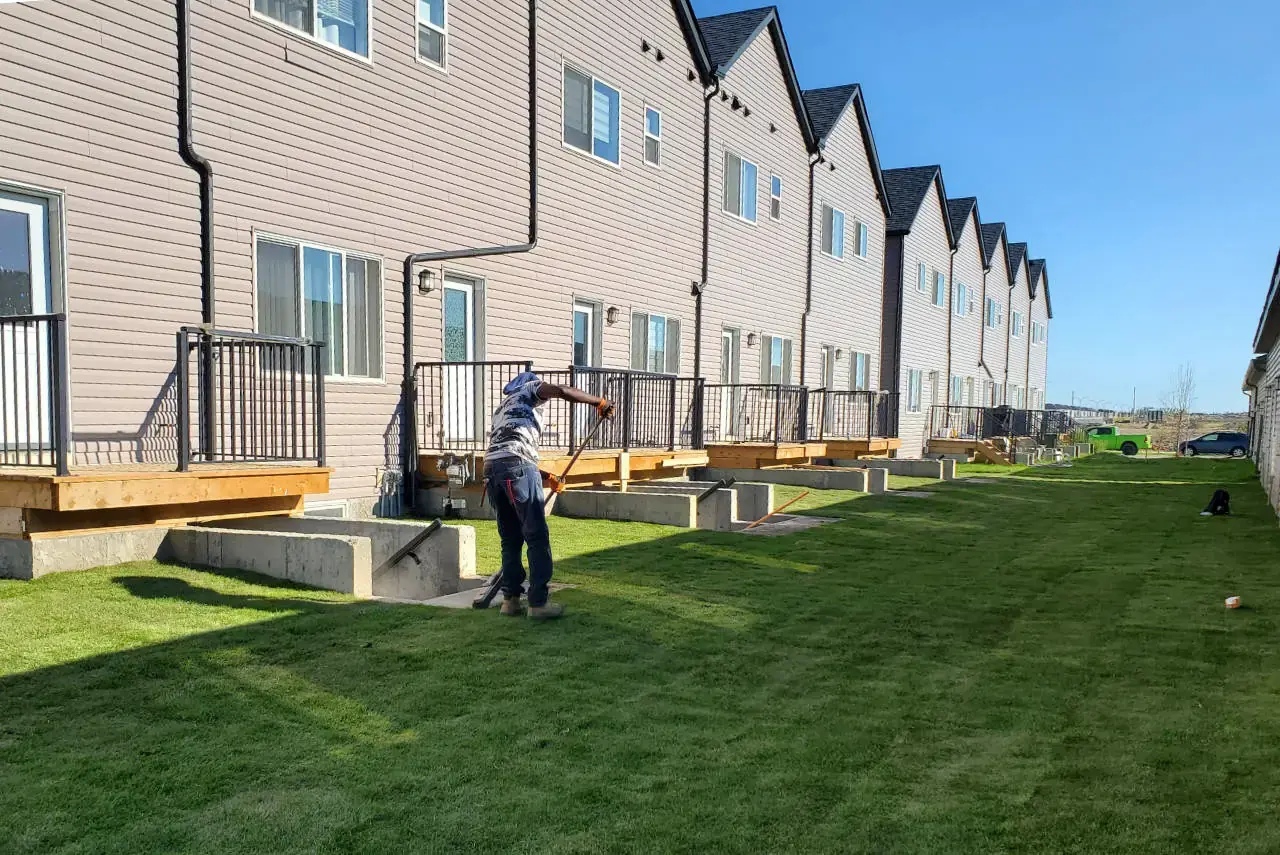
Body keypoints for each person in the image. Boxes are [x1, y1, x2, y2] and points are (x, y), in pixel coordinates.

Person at [484, 371, 614, 619]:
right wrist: (600, 402)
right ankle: (538, 604)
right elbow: (563, 390)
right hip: (516, 467)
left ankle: (510, 602)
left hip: (492, 470)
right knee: (536, 536)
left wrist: (547, 477)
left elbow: (508, 452)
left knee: (510, 538)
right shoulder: (530, 389)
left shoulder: (502, 408)